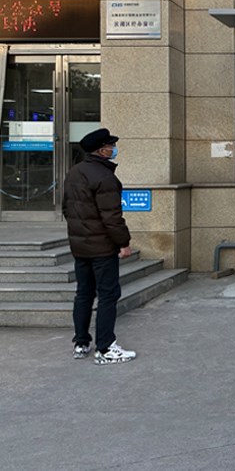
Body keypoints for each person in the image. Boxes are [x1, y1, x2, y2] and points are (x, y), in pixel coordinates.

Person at [62, 128, 137, 365]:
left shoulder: (74, 172)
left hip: (80, 246)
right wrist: (123, 243)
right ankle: (105, 348)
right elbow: (112, 217)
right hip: (102, 248)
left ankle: (81, 343)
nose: (114, 149)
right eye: (110, 146)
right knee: (108, 295)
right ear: (102, 150)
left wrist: (81, 234)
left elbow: (66, 209)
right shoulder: (105, 177)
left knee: (84, 294)